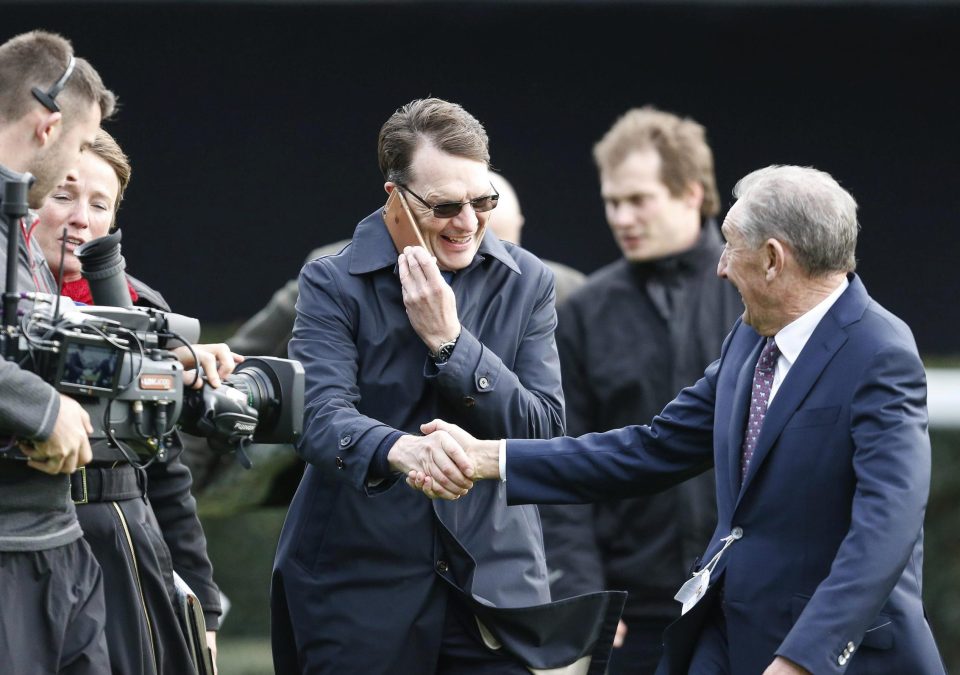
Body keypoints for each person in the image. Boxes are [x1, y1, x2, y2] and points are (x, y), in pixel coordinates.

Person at [415, 165, 947, 675]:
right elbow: (651, 448)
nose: (719, 266)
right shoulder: (749, 337)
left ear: (771, 259)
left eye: (730, 247)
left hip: (827, 654)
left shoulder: (880, 351)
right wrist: (492, 458)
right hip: (726, 636)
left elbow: (887, 526)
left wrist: (808, 656)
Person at [271, 97, 622, 674]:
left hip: (495, 586)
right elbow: (317, 418)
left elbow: (542, 429)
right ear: (395, 199)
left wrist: (451, 344)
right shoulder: (331, 280)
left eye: (483, 201)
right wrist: (402, 450)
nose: (467, 223)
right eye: (445, 206)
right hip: (359, 583)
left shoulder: (528, 279)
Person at [538, 107, 741, 674]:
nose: (621, 217)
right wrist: (581, 590)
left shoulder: (756, 293)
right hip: (633, 614)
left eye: (638, 199)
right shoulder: (582, 312)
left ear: (692, 193)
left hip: (747, 598)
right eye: (611, 201)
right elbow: (564, 463)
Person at [34, 128, 233, 674]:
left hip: (122, 545)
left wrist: (203, 605)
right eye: (63, 194)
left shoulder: (144, 311)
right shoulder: (14, 309)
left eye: (100, 204)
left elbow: (166, 471)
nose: (81, 217)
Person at [0, 29, 116, 674]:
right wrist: (42, 409)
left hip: (58, 543)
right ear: (47, 127)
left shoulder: (14, 220)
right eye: (76, 144)